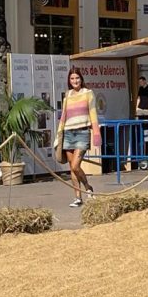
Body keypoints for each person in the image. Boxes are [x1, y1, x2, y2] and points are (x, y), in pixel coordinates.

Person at [55, 67, 100, 207]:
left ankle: (88, 187)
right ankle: (77, 197)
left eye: (77, 78)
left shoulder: (88, 93)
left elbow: (93, 113)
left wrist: (96, 132)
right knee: (71, 167)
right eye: (72, 78)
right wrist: (59, 134)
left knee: (76, 165)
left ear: (81, 79)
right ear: (69, 80)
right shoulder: (67, 95)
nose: (75, 81)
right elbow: (63, 116)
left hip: (82, 132)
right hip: (68, 132)